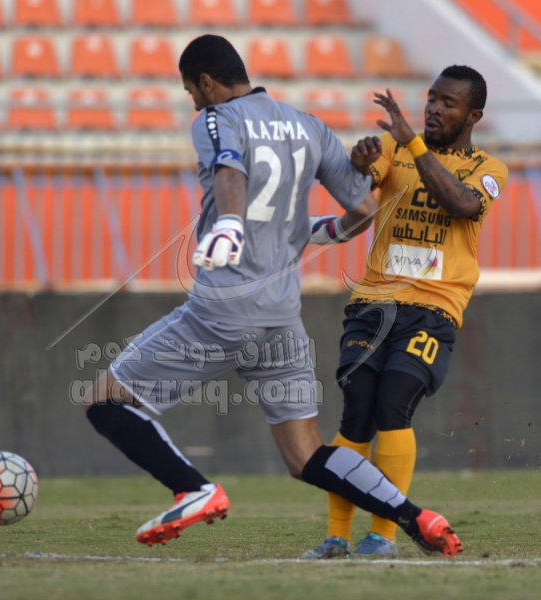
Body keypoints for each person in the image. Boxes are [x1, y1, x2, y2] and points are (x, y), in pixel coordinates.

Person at [83, 34, 462, 557]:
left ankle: (192, 489)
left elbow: (230, 171)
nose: (193, 102)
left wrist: (230, 225)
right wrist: (322, 229)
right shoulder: (309, 126)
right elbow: (363, 212)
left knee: (105, 400)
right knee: (306, 456)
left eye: (191, 91)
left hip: (224, 308)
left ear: (207, 82)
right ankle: (417, 518)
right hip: (281, 320)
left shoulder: (216, 119)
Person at [303, 65, 508, 559]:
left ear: (473, 116)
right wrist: (359, 164)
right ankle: (336, 536)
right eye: (432, 98)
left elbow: (459, 204)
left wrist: (412, 143)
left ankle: (383, 535)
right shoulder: (392, 149)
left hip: (435, 308)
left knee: (394, 403)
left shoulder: (488, 170)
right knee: (357, 410)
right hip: (374, 302)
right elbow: (356, 189)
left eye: (448, 103)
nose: (434, 108)